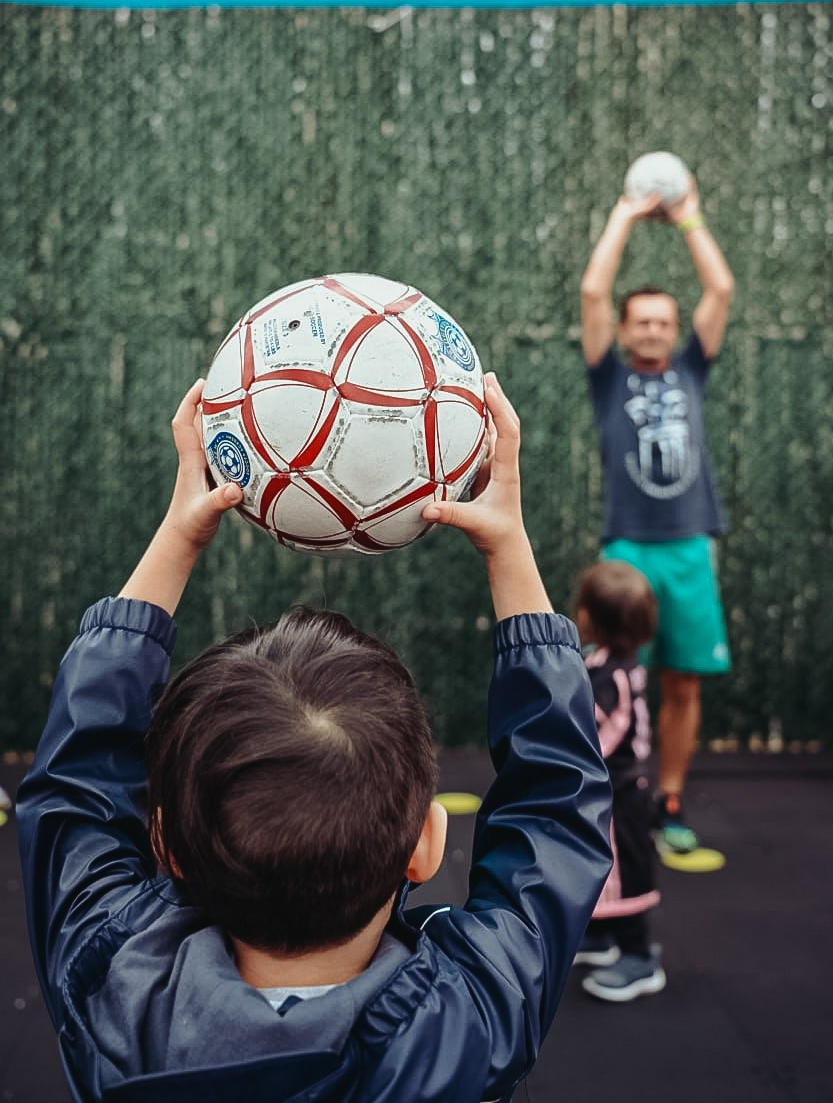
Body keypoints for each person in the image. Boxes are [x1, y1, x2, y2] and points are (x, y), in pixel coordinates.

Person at [17, 373, 612, 1103]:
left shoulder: (109, 980)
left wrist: (178, 535)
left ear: (165, 844)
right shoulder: (468, 1023)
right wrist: (509, 547)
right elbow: (556, 814)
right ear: (426, 846)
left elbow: (75, 783)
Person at [580, 172, 735, 854]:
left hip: (688, 546)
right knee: (614, 679)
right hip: (628, 549)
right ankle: (612, 800)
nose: (652, 329)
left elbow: (720, 290)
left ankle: (667, 799)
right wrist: (624, 213)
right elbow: (593, 291)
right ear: (622, 330)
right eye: (640, 320)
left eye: (663, 322)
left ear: (675, 331)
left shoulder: (691, 369)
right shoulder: (607, 376)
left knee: (682, 681)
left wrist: (689, 217)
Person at [572, 559, 665, 1002]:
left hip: (620, 795)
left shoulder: (611, 678)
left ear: (591, 617)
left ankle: (639, 955)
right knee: (597, 864)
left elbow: (593, 738)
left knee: (623, 869)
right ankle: (600, 935)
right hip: (610, 791)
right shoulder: (610, 665)